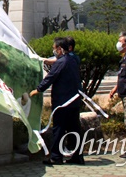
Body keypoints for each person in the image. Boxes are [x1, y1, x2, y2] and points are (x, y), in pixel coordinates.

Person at [30, 37, 84, 166]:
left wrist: (38, 89)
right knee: (74, 129)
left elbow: (50, 77)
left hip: (63, 102)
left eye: (54, 48)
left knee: (59, 129)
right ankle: (77, 156)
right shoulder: (72, 60)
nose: (54, 51)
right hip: (74, 101)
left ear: (60, 49)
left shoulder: (61, 61)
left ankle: (56, 157)